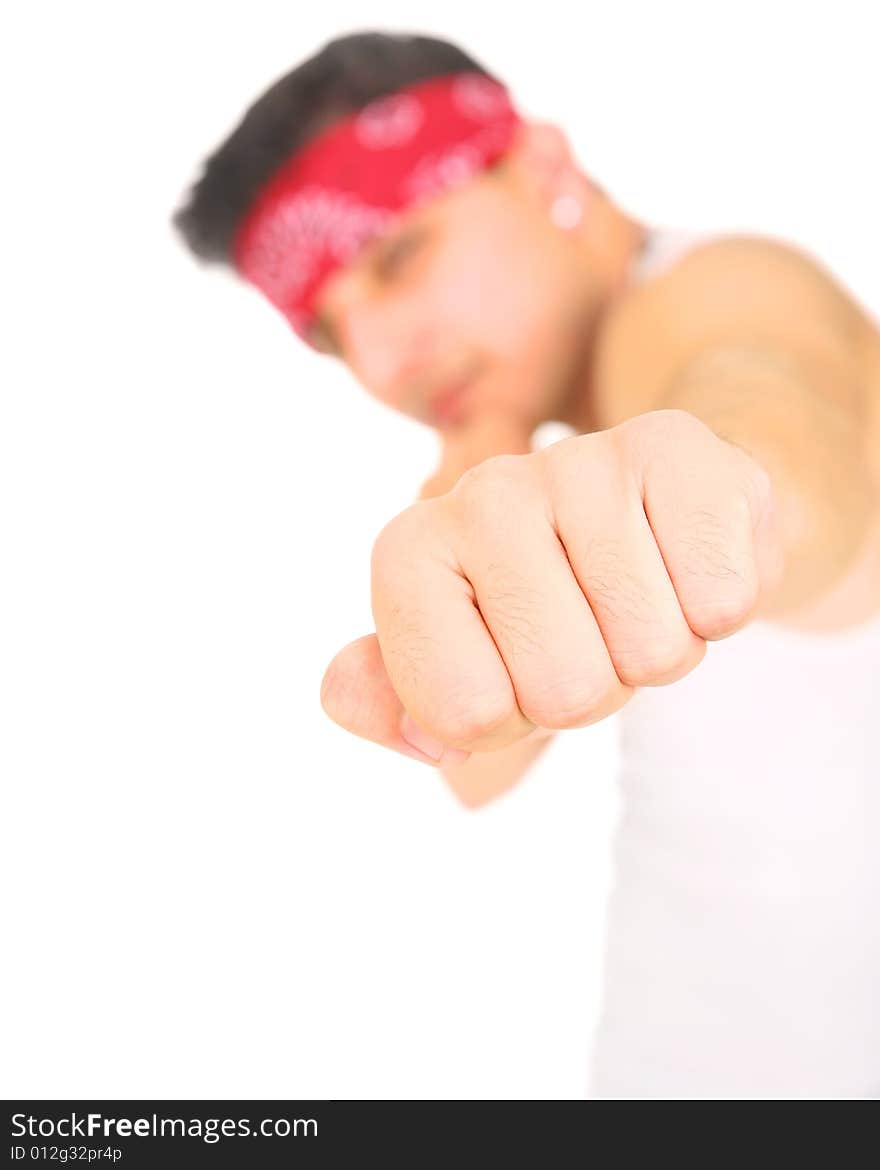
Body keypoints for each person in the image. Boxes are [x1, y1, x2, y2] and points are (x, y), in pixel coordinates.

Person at [172, 31, 880, 1099]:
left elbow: (778, 413)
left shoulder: (712, 291)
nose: (380, 361)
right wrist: (487, 446)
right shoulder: (555, 437)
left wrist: (741, 497)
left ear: (542, 168)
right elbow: (480, 760)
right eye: (331, 332)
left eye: (398, 258)